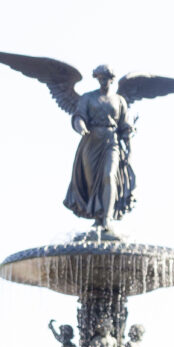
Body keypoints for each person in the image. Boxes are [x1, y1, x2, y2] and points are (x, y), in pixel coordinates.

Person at [63, 64, 135, 228]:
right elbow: (78, 116)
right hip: (91, 141)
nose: (102, 81)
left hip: (111, 142)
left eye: (105, 78)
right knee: (91, 181)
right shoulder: (87, 98)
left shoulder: (119, 100)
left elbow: (124, 126)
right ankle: (97, 217)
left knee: (109, 175)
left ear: (111, 79)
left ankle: (107, 219)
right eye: (100, 78)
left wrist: (129, 150)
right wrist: (80, 125)